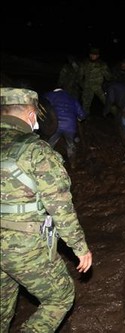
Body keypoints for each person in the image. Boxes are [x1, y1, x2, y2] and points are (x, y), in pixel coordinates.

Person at [0, 87, 92, 332]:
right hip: (23, 246)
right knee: (59, 298)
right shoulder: (36, 151)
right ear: (31, 114)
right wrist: (79, 247)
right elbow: (60, 206)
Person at [42, 87, 87, 168]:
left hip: (55, 125)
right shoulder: (72, 98)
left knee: (50, 144)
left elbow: (42, 105)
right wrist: (79, 118)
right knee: (70, 144)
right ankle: (73, 164)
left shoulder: (49, 95)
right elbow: (82, 115)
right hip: (70, 126)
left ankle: (47, 163)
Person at [78, 47, 112, 115]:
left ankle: (119, 116)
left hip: (99, 87)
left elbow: (109, 77)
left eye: (95, 54)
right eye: (91, 54)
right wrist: (82, 85)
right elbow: (79, 76)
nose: (92, 56)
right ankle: (85, 119)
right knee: (85, 105)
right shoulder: (84, 63)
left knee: (108, 102)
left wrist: (105, 73)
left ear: (98, 55)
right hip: (87, 87)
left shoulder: (102, 64)